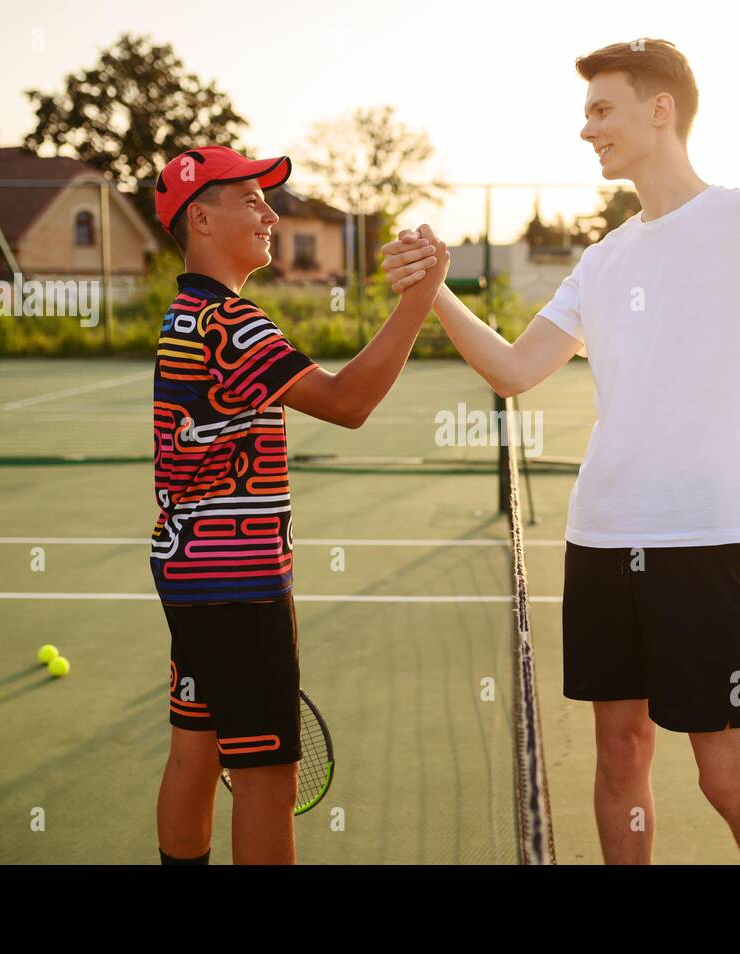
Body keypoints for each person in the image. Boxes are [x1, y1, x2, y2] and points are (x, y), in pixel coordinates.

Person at [381, 39, 740, 864]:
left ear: (661, 109)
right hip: (601, 539)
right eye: (585, 114)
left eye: (601, 110)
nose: (587, 130)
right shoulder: (603, 260)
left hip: (701, 543)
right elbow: (512, 370)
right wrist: (434, 293)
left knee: (725, 775)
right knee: (621, 753)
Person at [150, 146, 448, 864]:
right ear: (201, 215)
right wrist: (419, 299)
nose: (270, 213)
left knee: (197, 748)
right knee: (267, 777)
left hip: (189, 573)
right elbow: (347, 403)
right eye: (250, 198)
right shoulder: (232, 323)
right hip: (239, 583)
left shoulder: (184, 315)